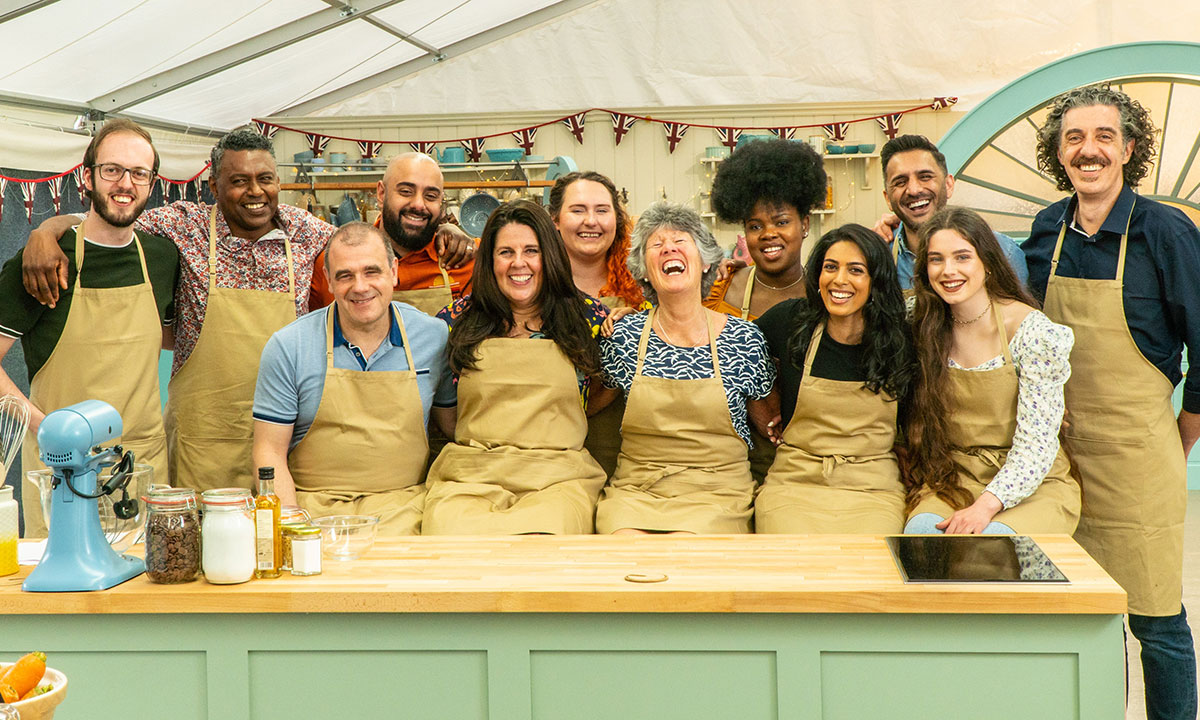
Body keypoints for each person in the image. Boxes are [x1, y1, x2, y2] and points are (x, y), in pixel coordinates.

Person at [1024, 84, 1200, 720]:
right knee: (1081, 615)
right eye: (1074, 138)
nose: (1088, 150)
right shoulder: (1047, 228)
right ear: (1059, 152)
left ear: (1128, 148)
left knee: (1156, 620)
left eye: (1103, 137)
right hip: (1059, 458)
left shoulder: (1165, 231)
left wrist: (1181, 432)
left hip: (1138, 454)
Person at [0, 119, 178, 536]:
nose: (126, 184)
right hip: (62, 467)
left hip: (143, 464)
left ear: (151, 184)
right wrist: (40, 424)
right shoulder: (41, 264)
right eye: (112, 170)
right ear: (87, 176)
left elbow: (170, 342)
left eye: (139, 173)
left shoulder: (163, 257)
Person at [251, 223, 454, 534]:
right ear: (329, 281)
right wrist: (291, 526)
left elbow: (451, 427)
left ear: (394, 272)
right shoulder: (288, 346)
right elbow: (269, 452)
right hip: (312, 511)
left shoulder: (434, 337)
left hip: (406, 509)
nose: (360, 287)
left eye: (371, 272)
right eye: (345, 275)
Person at [422, 200, 609, 535]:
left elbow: (606, 385)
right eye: (505, 252)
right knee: (449, 537)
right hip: (470, 476)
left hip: (559, 478)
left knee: (542, 540)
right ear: (489, 260)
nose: (518, 263)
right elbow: (444, 406)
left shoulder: (588, 318)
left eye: (531, 251)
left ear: (549, 256)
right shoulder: (454, 321)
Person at [594, 202, 775, 534]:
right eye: (656, 245)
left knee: (687, 552)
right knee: (623, 549)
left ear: (705, 261)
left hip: (718, 492)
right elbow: (588, 407)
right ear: (644, 270)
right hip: (637, 490)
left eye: (680, 241)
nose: (669, 249)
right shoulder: (623, 335)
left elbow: (769, 424)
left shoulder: (744, 338)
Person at [903, 207, 1080, 537]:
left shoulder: (1032, 332)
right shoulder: (922, 320)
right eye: (936, 259)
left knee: (988, 549)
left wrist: (984, 507)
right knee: (921, 538)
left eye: (962, 257)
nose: (948, 270)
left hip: (1028, 484)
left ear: (987, 262)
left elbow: (1037, 446)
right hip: (951, 477)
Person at [754, 224, 914, 534]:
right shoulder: (791, 321)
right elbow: (728, 343)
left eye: (855, 270)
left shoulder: (900, 340)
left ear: (875, 282)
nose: (839, 280)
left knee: (871, 566)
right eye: (830, 267)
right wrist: (761, 402)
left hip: (873, 489)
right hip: (793, 484)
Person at [546, 171, 644, 481]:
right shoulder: (529, 285)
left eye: (602, 210)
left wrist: (643, 322)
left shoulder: (646, 284)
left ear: (617, 219)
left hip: (631, 456)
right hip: (551, 452)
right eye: (578, 210)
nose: (592, 221)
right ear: (555, 220)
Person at [309, 152, 476, 316]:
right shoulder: (334, 262)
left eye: (430, 196)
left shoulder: (466, 257)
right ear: (381, 194)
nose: (418, 204)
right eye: (405, 192)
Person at [874, 134, 1028, 296]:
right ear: (888, 199)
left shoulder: (1004, 251)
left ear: (948, 185)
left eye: (925, 177)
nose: (914, 190)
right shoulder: (876, 257)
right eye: (900, 182)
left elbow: (1018, 316)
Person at [704, 138, 826, 320]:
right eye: (755, 226)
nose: (768, 234)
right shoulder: (720, 289)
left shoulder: (823, 293)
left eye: (781, 222)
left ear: (804, 225)